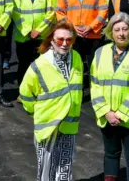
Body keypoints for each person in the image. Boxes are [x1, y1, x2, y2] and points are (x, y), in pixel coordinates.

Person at [90, 12, 129, 181]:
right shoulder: (100, 53)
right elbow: (95, 85)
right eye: (117, 29)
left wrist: (122, 114)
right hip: (107, 116)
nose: (121, 33)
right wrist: (106, 112)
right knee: (111, 154)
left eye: (125, 29)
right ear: (111, 32)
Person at [20, 20, 83, 181]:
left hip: (69, 123)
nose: (64, 44)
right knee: (46, 170)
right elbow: (25, 92)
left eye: (69, 40)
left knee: (65, 167)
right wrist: (35, 112)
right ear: (52, 40)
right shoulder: (40, 64)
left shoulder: (76, 58)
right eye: (60, 39)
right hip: (48, 125)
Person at [56, 0, 108, 88]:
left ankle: (94, 90)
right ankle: (75, 87)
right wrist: (72, 27)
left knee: (93, 65)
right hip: (73, 35)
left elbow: (104, 10)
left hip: (92, 34)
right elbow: (59, 12)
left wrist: (91, 26)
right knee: (74, 64)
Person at [13, 0, 54, 99]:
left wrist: (39, 30)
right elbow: (15, 14)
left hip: (40, 37)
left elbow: (50, 13)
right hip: (23, 37)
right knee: (23, 66)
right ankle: (23, 93)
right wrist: (26, 31)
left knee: (40, 66)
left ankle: (38, 92)